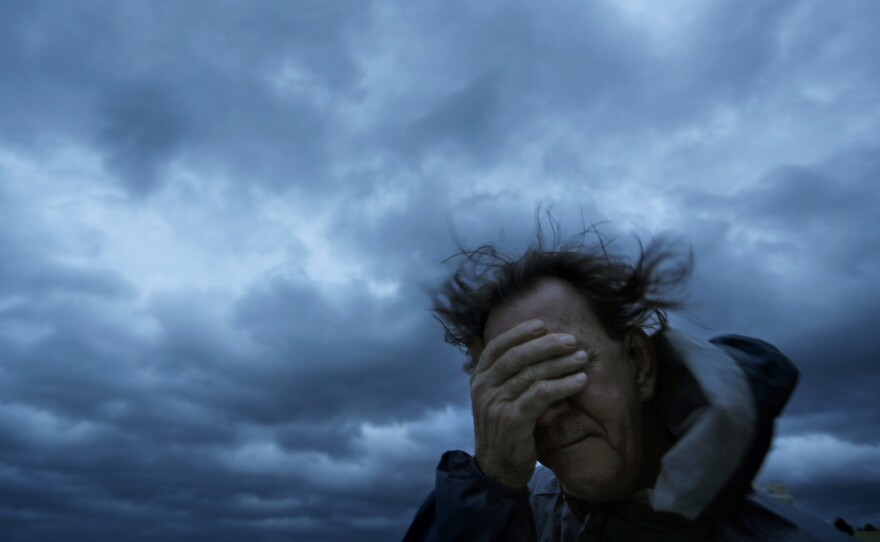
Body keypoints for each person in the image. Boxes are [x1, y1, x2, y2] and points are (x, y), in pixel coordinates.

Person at [403, 227, 849, 541]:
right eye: (516, 384)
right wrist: (490, 491)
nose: (548, 406)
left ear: (639, 363)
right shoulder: (511, 521)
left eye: (561, 365)